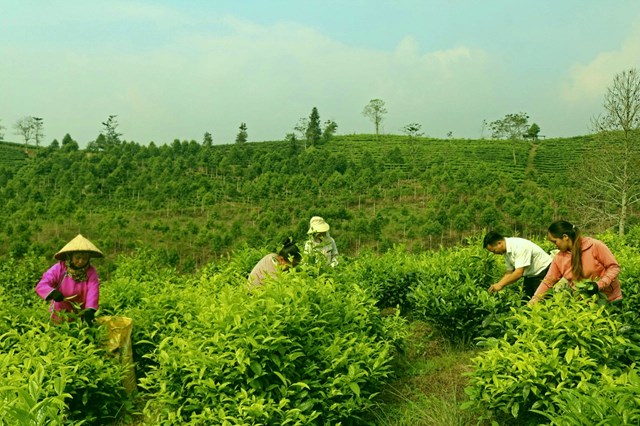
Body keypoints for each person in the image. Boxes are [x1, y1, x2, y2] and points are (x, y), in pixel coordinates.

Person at [530, 220, 622, 305]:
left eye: (555, 241)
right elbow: (548, 282)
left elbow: (613, 267)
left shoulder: (594, 246)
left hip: (609, 300)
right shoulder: (559, 258)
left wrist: (599, 285)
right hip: (584, 303)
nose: (555, 245)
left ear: (565, 237)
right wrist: (533, 301)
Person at [35, 234, 103, 323]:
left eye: (85, 258)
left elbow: (93, 291)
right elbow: (42, 284)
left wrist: (90, 309)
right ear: (70, 257)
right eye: (77, 258)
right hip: (60, 311)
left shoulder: (91, 272)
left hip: (80, 311)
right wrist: (52, 292)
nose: (81, 261)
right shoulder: (59, 268)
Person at [483, 231, 552, 299]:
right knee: (526, 301)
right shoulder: (506, 251)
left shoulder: (519, 246)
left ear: (499, 243)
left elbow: (518, 273)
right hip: (531, 275)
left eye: (494, 251)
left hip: (544, 271)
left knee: (540, 301)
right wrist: (498, 284)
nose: (494, 253)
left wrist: (501, 285)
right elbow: (509, 272)